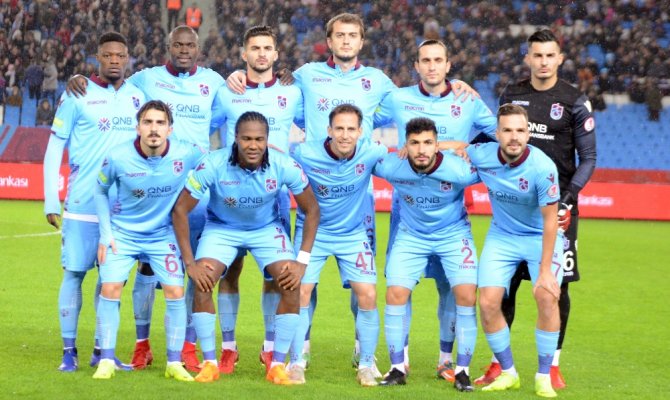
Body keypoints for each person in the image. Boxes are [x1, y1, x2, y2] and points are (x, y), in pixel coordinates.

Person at [228, 13, 476, 368]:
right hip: (314, 191)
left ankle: (363, 347)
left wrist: (453, 87)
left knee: (362, 285)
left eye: (353, 35)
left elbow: (417, 102)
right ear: (328, 41)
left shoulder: (378, 82)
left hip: (358, 198)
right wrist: (238, 76)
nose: (346, 41)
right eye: (339, 35)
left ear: (361, 41)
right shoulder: (306, 75)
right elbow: (271, 89)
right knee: (303, 282)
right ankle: (302, 348)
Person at [67, 25, 225, 372]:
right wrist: (82, 79)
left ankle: (186, 348)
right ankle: (142, 345)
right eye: (177, 45)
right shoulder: (146, 78)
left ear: (198, 48)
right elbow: (113, 81)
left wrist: (243, 77)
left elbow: (230, 112)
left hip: (192, 192)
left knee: (196, 270)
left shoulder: (215, 82)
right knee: (147, 269)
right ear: (168, 46)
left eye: (190, 45)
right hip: (151, 190)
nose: (184, 50)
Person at [476, 29, 597, 390]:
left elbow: (589, 158)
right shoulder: (512, 94)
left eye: (549, 55)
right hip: (515, 206)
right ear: (527, 58)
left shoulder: (574, 100)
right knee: (505, 288)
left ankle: (553, 365)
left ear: (560, 59)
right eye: (537, 55)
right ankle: (500, 363)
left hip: (557, 208)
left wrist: (567, 199)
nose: (543, 62)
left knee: (556, 289)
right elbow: (494, 135)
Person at [374, 39, 496, 382]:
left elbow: (499, 135)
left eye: (437, 60)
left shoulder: (466, 99)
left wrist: (462, 146)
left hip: (451, 202)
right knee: (400, 286)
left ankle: (446, 360)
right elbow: (360, 120)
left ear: (448, 65)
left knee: (451, 289)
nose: (431, 66)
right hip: (407, 207)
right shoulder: (398, 98)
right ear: (416, 65)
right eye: (425, 60)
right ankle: (401, 361)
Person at [171, 111, 320, 384]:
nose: (253, 145)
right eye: (246, 139)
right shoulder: (212, 163)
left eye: (259, 139)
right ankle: (210, 364)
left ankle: (277, 365)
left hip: (266, 229)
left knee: (291, 282)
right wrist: (190, 263)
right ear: (235, 138)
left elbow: (312, 210)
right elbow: (180, 209)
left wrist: (302, 260)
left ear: (267, 139)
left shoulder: (284, 164)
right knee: (203, 280)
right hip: (222, 228)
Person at [43, 31, 145, 372]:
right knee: (74, 274)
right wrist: (51, 200)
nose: (114, 60)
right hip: (83, 204)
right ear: (97, 57)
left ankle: (103, 351)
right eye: (108, 55)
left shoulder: (138, 96)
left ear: (128, 58)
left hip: (122, 209)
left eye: (120, 55)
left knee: (111, 281)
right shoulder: (78, 93)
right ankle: (68, 352)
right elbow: (55, 146)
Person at [209, 25, 304, 374]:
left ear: (276, 54)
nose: (262, 53)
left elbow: (318, 126)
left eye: (267, 48)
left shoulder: (292, 92)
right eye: (255, 48)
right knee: (229, 272)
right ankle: (228, 348)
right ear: (243, 54)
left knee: (275, 276)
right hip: (230, 195)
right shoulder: (226, 92)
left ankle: (269, 347)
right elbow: (204, 129)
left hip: (274, 197)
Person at [92, 100, 205, 381]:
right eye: (148, 122)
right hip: (123, 234)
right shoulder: (117, 156)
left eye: (160, 123)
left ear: (170, 129)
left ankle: (173, 363)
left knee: (175, 292)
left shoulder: (186, 152)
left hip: (161, 235)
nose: (154, 129)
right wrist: (106, 234)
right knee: (110, 288)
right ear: (138, 127)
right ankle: (106, 360)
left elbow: (216, 164)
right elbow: (100, 190)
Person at [373, 117, 480, 391]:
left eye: (428, 143)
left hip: (453, 235)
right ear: (405, 145)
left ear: (437, 145)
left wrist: (461, 146)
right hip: (411, 236)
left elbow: (498, 157)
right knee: (395, 294)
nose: (421, 150)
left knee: (466, 295)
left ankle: (462, 371)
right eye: (414, 143)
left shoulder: (460, 169)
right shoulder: (391, 165)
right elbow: (356, 155)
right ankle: (397, 368)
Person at [467, 103, 564, 398]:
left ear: (528, 134)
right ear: (496, 134)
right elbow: (455, 147)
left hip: (539, 237)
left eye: (520, 130)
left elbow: (551, 221)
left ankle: (544, 376)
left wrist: (545, 271)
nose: (514, 137)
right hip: (503, 236)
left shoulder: (543, 168)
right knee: (487, 303)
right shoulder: (482, 154)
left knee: (546, 296)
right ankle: (509, 373)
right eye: (507, 130)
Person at [287, 104, 387, 386]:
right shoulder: (305, 153)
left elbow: (404, 163)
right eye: (339, 128)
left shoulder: (372, 152)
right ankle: (296, 361)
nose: (345, 135)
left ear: (361, 131)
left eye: (351, 129)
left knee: (368, 294)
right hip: (313, 233)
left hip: (352, 235)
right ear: (328, 130)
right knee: (300, 291)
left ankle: (365, 364)